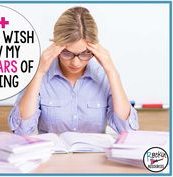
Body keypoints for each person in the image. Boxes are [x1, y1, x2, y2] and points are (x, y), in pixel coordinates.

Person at [8, 6, 139, 135]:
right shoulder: (40, 75)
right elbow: (22, 131)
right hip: (53, 156)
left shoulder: (103, 76)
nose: (76, 62)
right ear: (56, 46)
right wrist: (39, 73)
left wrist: (112, 72)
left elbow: (127, 130)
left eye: (85, 54)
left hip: (94, 156)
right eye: (67, 53)